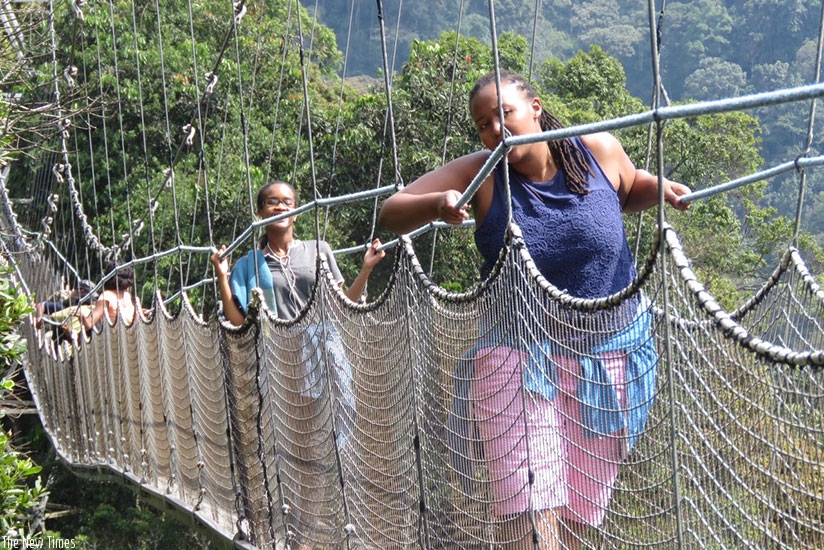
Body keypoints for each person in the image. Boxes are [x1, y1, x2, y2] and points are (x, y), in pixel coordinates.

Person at [377, 70, 691, 549]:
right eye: (483, 124)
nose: (494, 130)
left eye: (504, 114)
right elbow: (392, 211)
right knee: (529, 521)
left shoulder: (596, 149)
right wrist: (438, 205)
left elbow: (628, 189)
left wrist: (662, 188)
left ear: (535, 108)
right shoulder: (481, 174)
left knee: (578, 523)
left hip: (609, 360)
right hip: (518, 360)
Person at [210, 180, 385, 549]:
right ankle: (299, 527)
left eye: (286, 201)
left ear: (297, 209)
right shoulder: (248, 265)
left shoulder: (318, 251)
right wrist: (223, 278)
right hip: (282, 360)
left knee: (325, 446)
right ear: (260, 212)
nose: (279, 207)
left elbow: (342, 302)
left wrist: (365, 270)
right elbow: (238, 321)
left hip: (324, 355)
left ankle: (305, 530)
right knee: (300, 448)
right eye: (272, 202)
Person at [79, 261, 140, 330]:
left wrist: (80, 314)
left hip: (114, 338)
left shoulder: (106, 296)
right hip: (131, 336)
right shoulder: (127, 295)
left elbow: (89, 324)